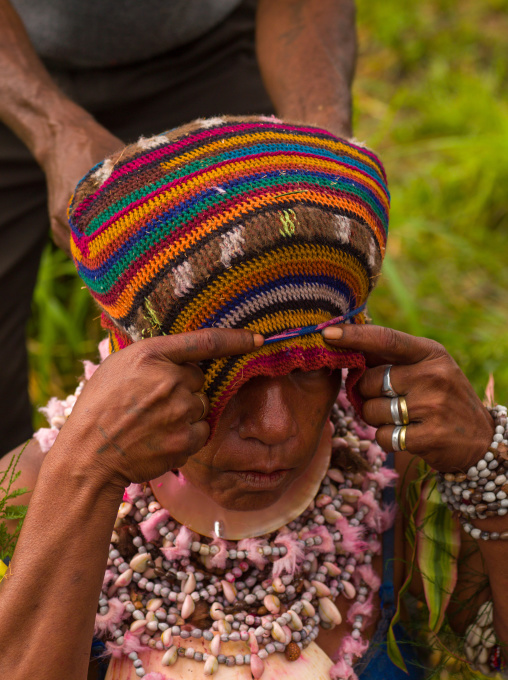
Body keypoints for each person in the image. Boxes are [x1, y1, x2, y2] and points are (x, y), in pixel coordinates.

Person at [0, 117, 506, 680]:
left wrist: (488, 468)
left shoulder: (395, 468)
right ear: (126, 359)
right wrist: (84, 478)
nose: (275, 427)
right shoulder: (37, 489)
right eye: (226, 378)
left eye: (308, 370)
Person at [0, 0, 357, 457]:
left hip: (205, 55)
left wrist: (320, 152)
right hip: (16, 65)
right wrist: (54, 130)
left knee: (282, 305)